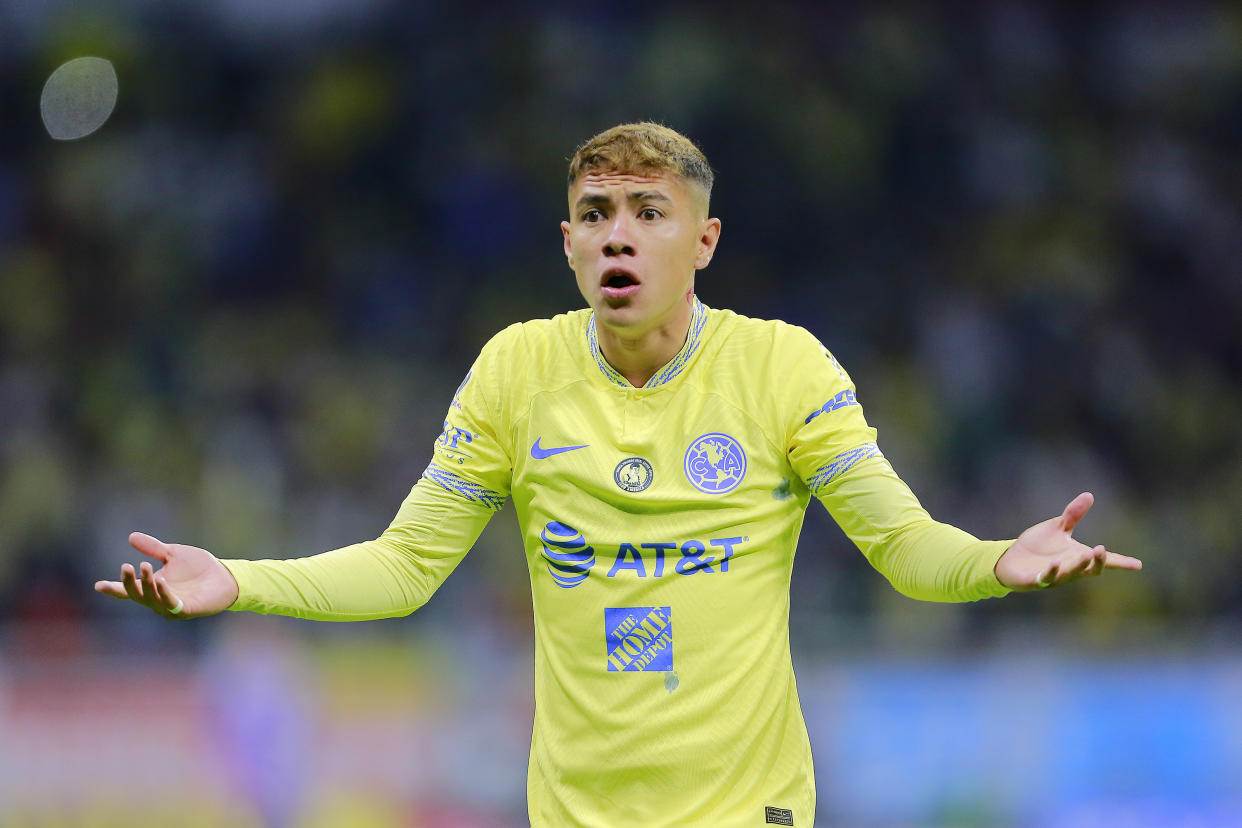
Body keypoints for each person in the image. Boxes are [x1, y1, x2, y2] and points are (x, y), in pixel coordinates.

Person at [96, 122, 1142, 827]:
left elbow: (904, 549)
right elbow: (406, 567)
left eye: (649, 210)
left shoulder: (782, 368)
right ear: (566, 243)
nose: (619, 236)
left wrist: (998, 557)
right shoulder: (515, 372)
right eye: (596, 215)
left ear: (705, 240)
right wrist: (242, 579)